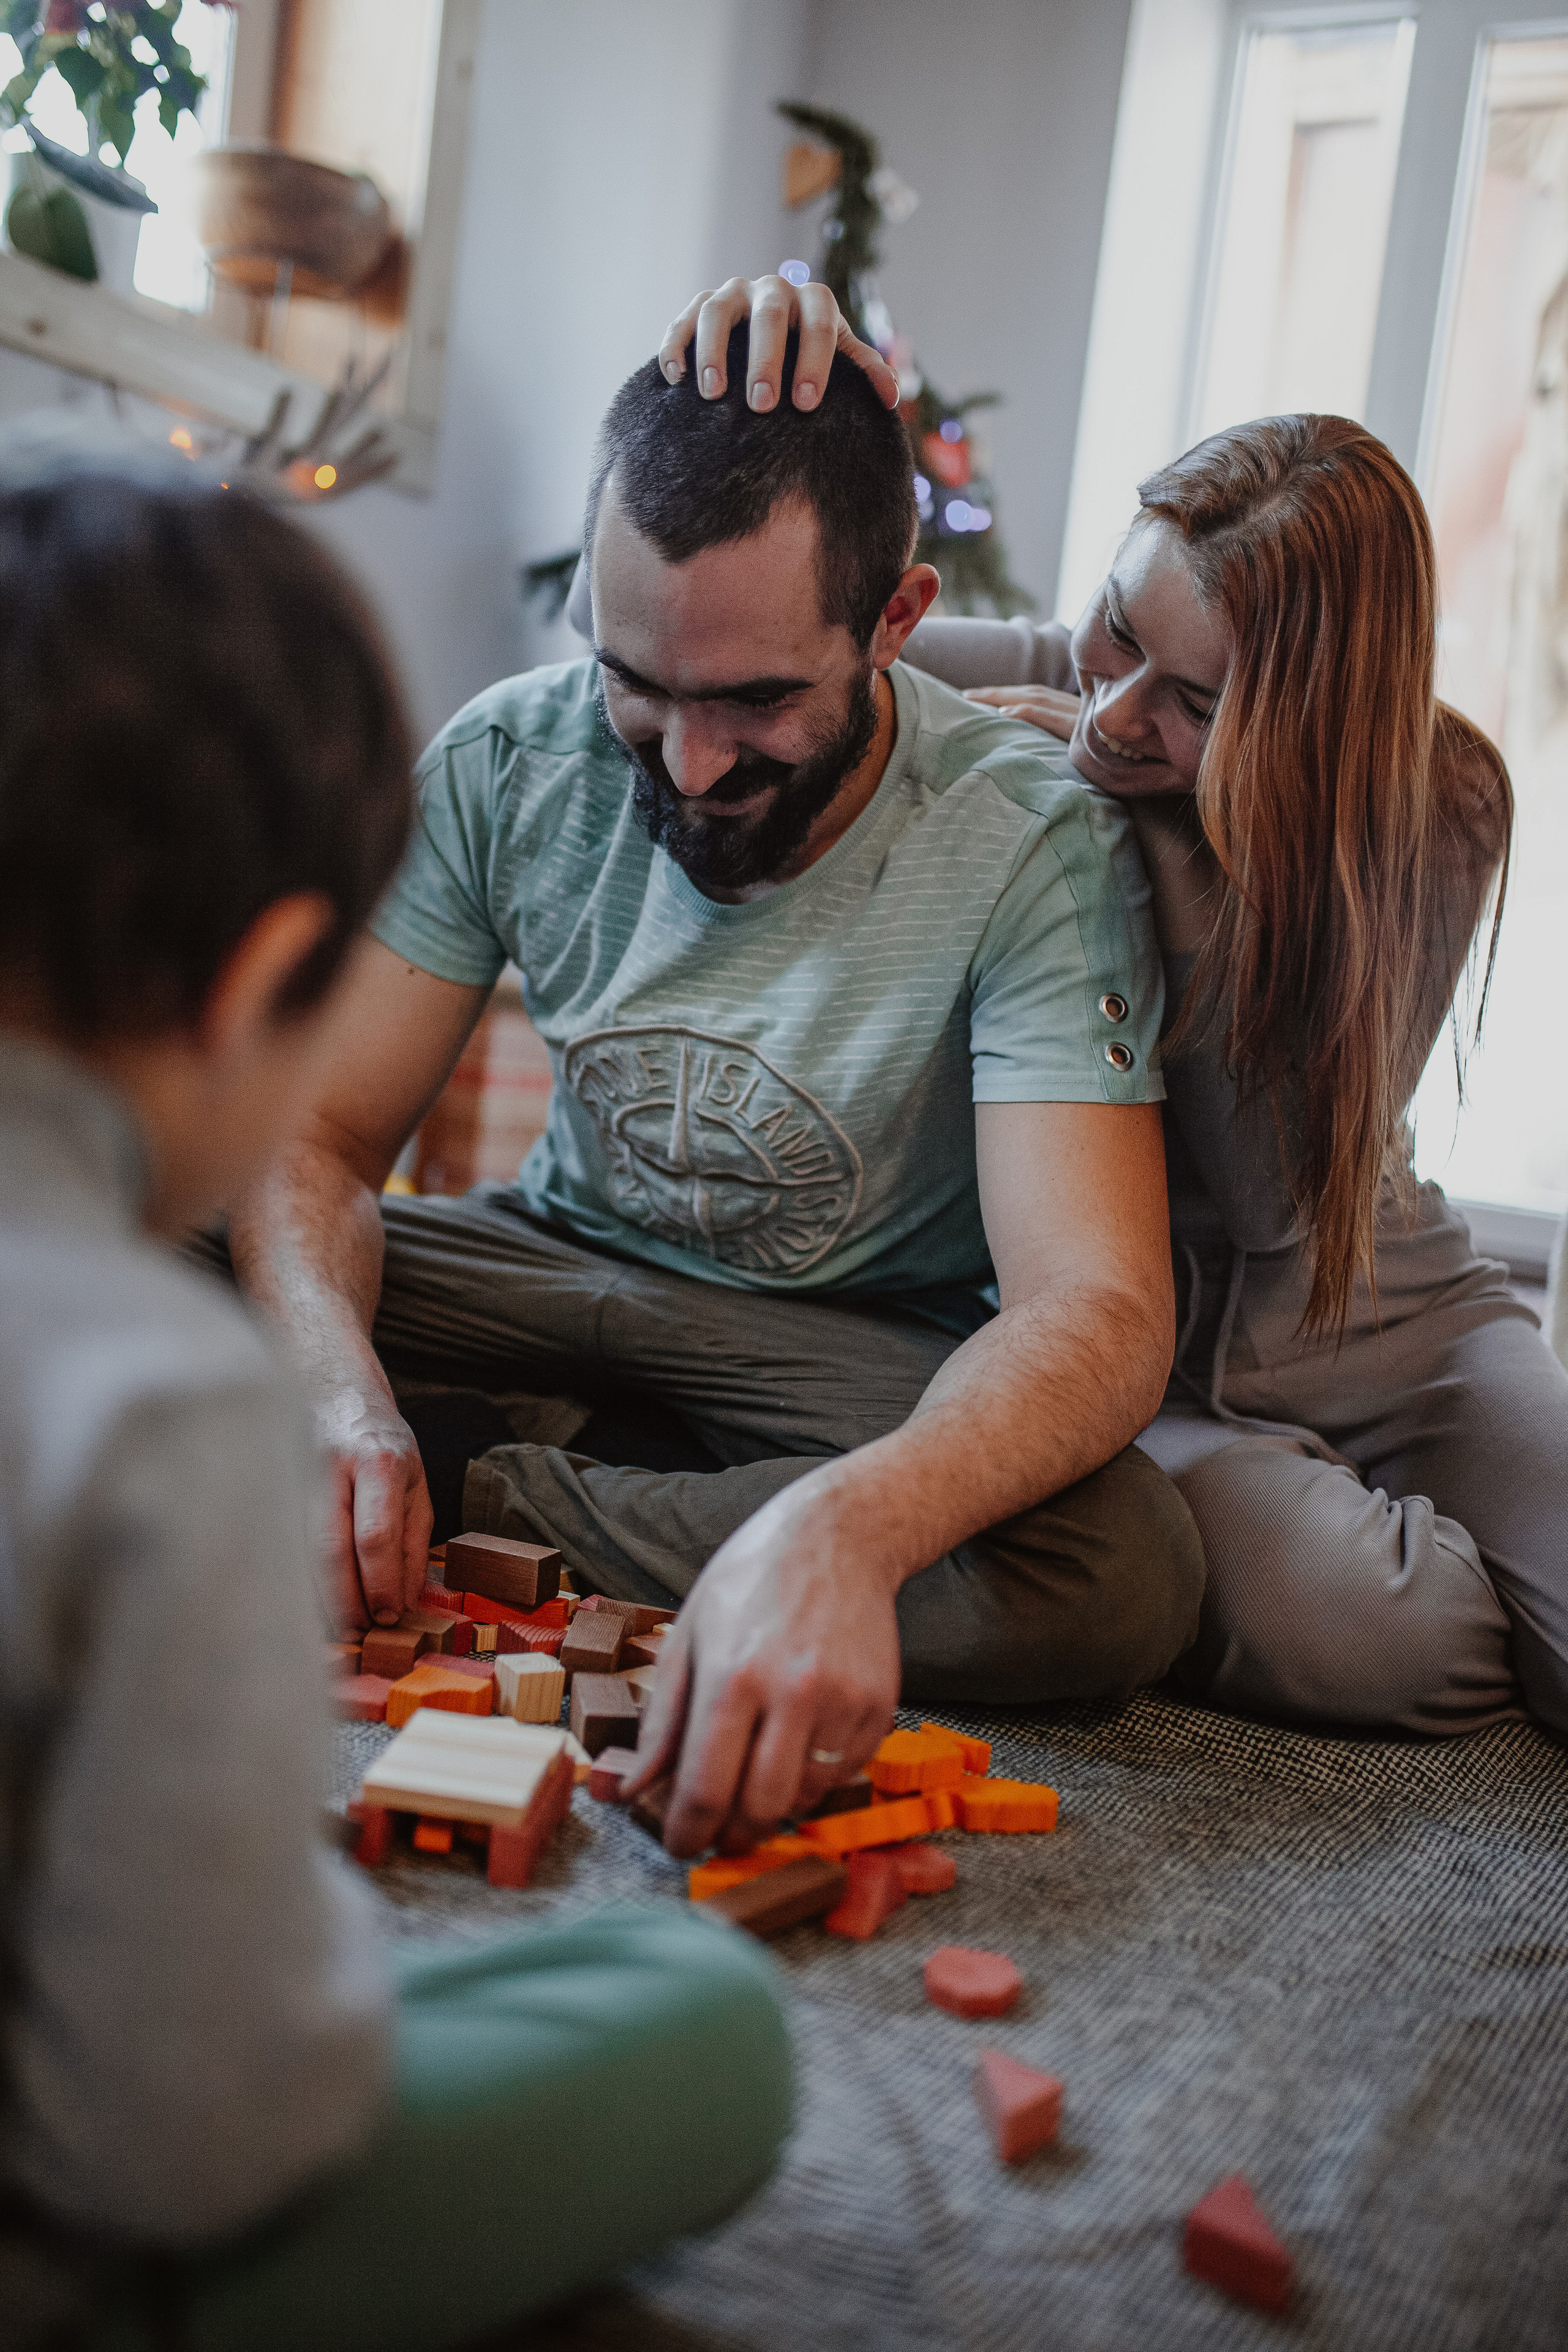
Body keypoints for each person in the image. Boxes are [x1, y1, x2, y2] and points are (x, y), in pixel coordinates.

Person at [0, 425, 790, 2351]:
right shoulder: (169, 1406)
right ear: (261, 979)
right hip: (80, 2245)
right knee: (706, 2032)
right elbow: (183, 2140)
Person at [225, 322, 1205, 1863]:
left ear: (894, 619)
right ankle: (456, 1463)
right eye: (635, 685)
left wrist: (843, 1531)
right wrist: (340, 1401)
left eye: (752, 703)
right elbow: (319, 1139)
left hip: (832, 1352)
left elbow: (1094, 1310)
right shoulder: (504, 759)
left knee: (1119, 1568)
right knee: (144, 1246)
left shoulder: (1029, 846)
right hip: (541, 1270)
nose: (684, 767)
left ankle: (488, 1479)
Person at [657, 277, 1568, 1744]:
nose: (1111, 716)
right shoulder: (1037, 684)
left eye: (1198, 707)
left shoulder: (1436, 810)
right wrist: (755, 368)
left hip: (1393, 1324)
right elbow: (723, 644)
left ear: (1317, 723)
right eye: (1111, 629)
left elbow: (1277, 1199)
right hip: (1141, 1378)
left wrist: (1120, 840)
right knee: (1404, 1639)